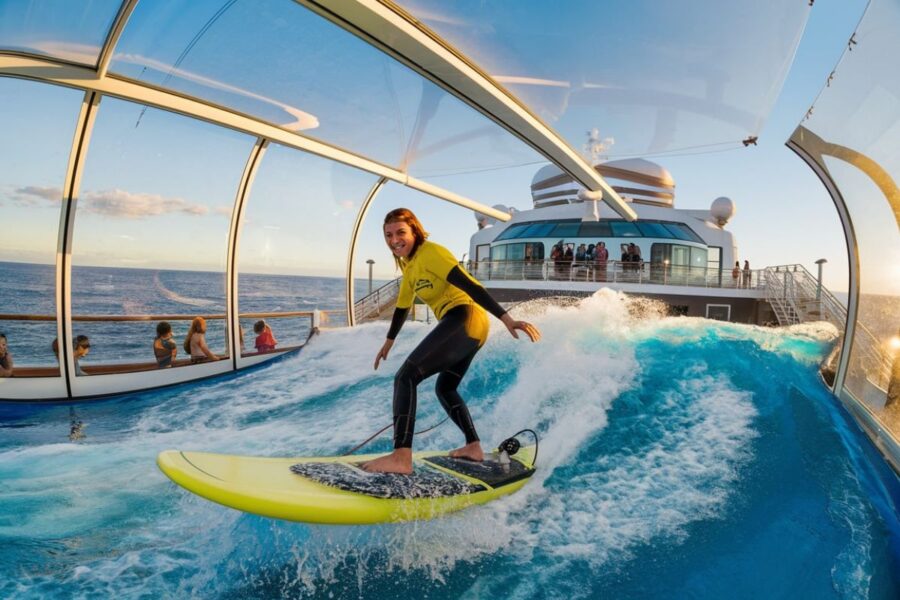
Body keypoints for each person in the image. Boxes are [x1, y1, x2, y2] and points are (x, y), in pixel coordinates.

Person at [365, 208, 541, 474]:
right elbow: (402, 306)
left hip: (465, 318)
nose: (394, 240)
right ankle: (473, 445)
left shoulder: (431, 253)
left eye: (401, 232)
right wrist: (389, 341)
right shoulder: (408, 264)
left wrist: (506, 319)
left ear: (415, 231)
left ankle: (401, 457)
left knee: (405, 377)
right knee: (445, 388)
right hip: (467, 325)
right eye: (388, 235)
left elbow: (470, 285)